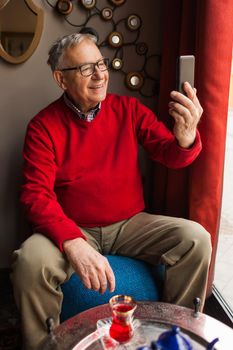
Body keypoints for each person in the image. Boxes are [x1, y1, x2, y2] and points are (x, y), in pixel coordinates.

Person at [11, 32, 212, 350]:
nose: (100, 74)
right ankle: (42, 346)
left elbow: (169, 153)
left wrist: (186, 136)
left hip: (131, 224)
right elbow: (35, 195)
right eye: (86, 68)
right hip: (74, 227)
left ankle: (177, 335)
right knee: (29, 261)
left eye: (101, 64)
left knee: (197, 238)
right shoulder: (42, 126)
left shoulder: (129, 109)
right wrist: (72, 241)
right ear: (61, 79)